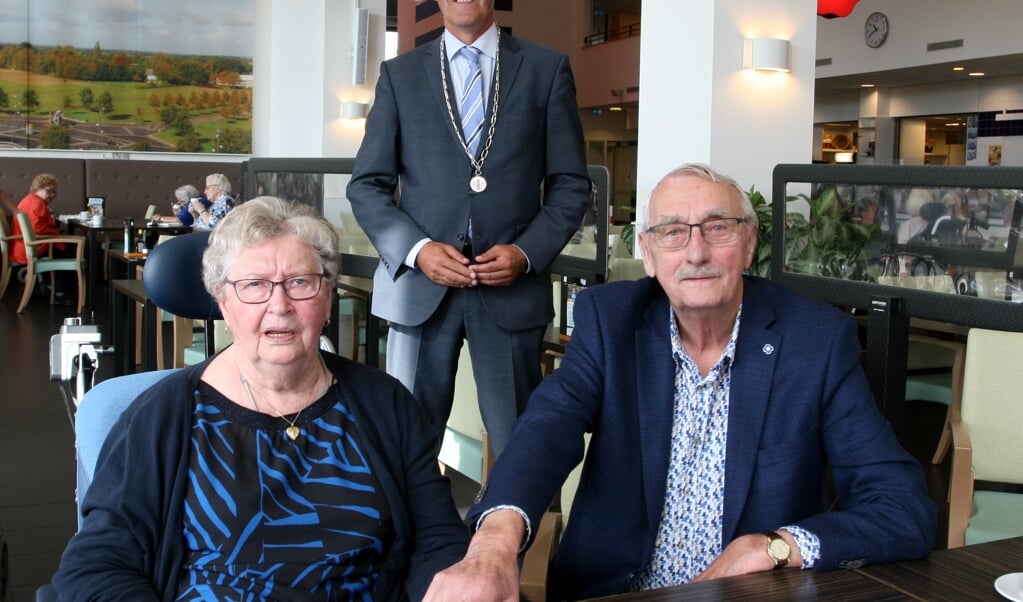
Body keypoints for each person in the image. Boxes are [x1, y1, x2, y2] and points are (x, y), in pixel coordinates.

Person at [424, 163, 937, 601]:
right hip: (613, 592)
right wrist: (493, 542)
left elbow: (902, 507)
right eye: (672, 231)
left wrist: (776, 546)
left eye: (717, 227)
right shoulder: (611, 320)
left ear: (750, 241)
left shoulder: (816, 340)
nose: (695, 252)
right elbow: (546, 430)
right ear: (648, 254)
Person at [52, 196, 469, 600]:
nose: (279, 305)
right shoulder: (162, 416)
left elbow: (436, 536)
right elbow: (96, 566)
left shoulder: (385, 403)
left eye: (300, 282)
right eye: (254, 285)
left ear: (327, 297)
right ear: (224, 302)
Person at [347, 0, 591, 459]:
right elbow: (367, 186)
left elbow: (571, 187)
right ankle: (414, 533)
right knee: (406, 444)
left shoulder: (546, 68)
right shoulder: (399, 75)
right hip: (419, 290)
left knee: (520, 442)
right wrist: (417, 250)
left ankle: (510, 530)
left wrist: (525, 253)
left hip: (510, 292)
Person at [9, 173, 77, 301]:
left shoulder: (29, 200)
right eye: (48, 191)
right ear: (37, 188)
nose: (51, 195)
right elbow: (37, 230)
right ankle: (61, 292)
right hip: (31, 247)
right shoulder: (38, 204)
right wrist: (55, 233)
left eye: (54, 193)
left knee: (64, 247)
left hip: (21, 246)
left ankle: (48, 286)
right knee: (69, 250)